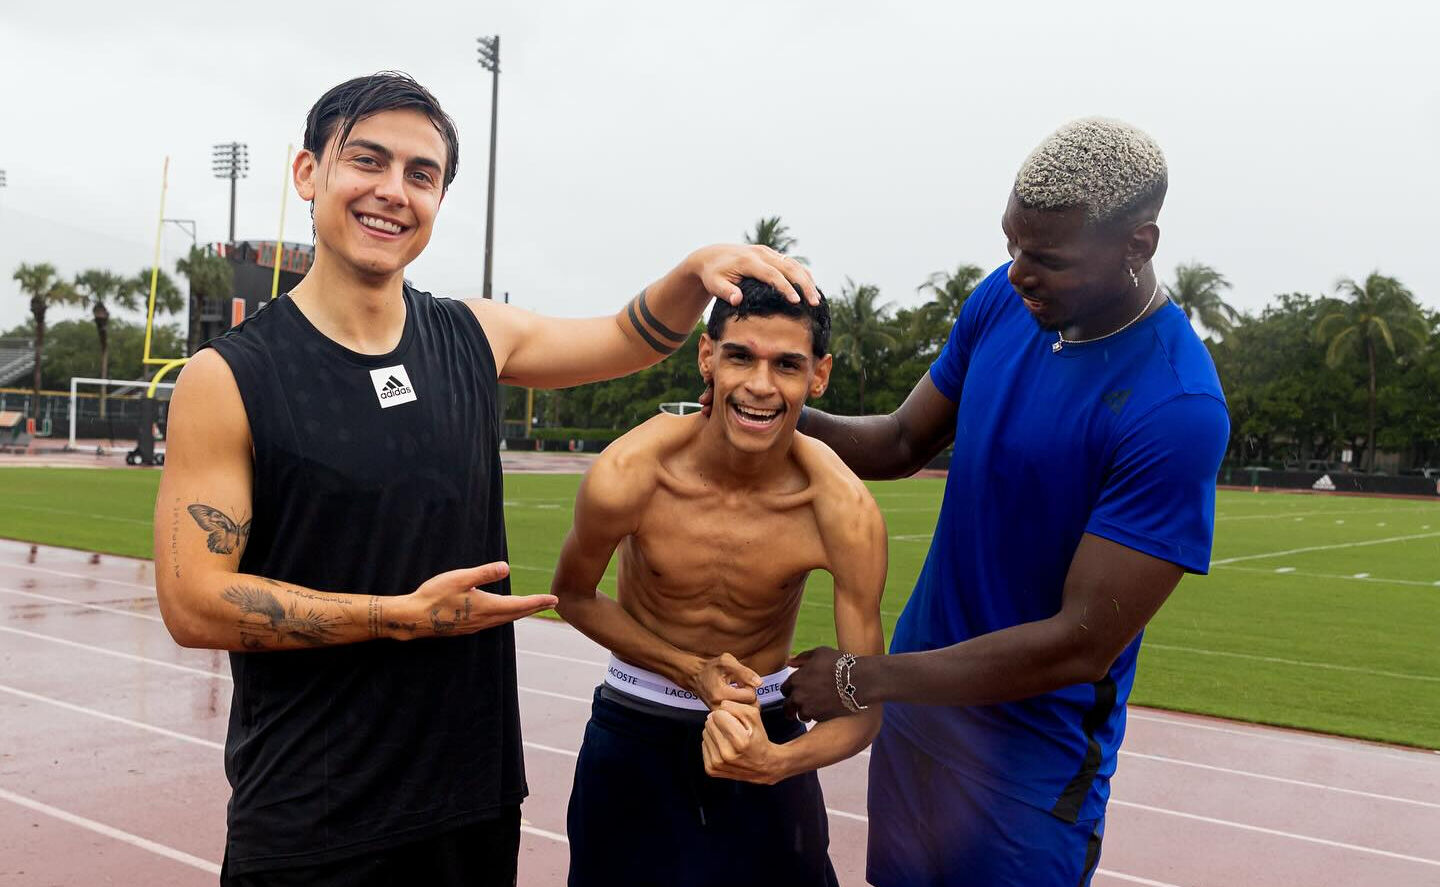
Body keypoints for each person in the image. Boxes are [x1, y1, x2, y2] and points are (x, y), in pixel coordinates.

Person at [151, 72, 817, 887]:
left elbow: (627, 338)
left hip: (471, 805)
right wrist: (399, 617)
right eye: (368, 160)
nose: (393, 191)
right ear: (308, 172)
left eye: (421, 174)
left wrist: (692, 271)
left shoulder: (473, 334)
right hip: (313, 817)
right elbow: (192, 601)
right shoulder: (228, 377)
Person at [776, 118, 1230, 886]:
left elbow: (1077, 643)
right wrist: (777, 413)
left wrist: (862, 678)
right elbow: (900, 440)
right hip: (917, 724)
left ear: (1138, 246)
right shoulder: (1005, 298)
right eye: (1012, 245)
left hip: (1029, 770)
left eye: (1048, 258)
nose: (1019, 272)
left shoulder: (1176, 406)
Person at [551, 278, 887, 887]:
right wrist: (690, 670)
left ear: (819, 375)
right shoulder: (632, 472)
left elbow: (864, 708)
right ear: (707, 357)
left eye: (787, 365)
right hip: (637, 721)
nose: (760, 385)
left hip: (765, 725)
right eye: (740, 357)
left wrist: (776, 761)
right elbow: (571, 595)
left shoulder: (841, 509)